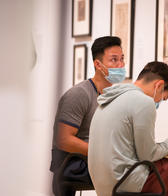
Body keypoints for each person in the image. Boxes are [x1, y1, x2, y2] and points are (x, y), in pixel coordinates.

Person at [88, 61, 168, 196]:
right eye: (163, 98)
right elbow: (148, 155)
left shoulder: (111, 98)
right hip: (124, 182)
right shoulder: (144, 102)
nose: (158, 102)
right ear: (159, 85)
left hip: (102, 184)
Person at [50, 36, 126, 196]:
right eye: (114, 60)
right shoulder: (79, 94)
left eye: (122, 59)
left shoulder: (113, 95)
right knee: (132, 177)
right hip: (73, 165)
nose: (121, 65)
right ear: (98, 65)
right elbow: (63, 140)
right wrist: (103, 152)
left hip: (96, 161)